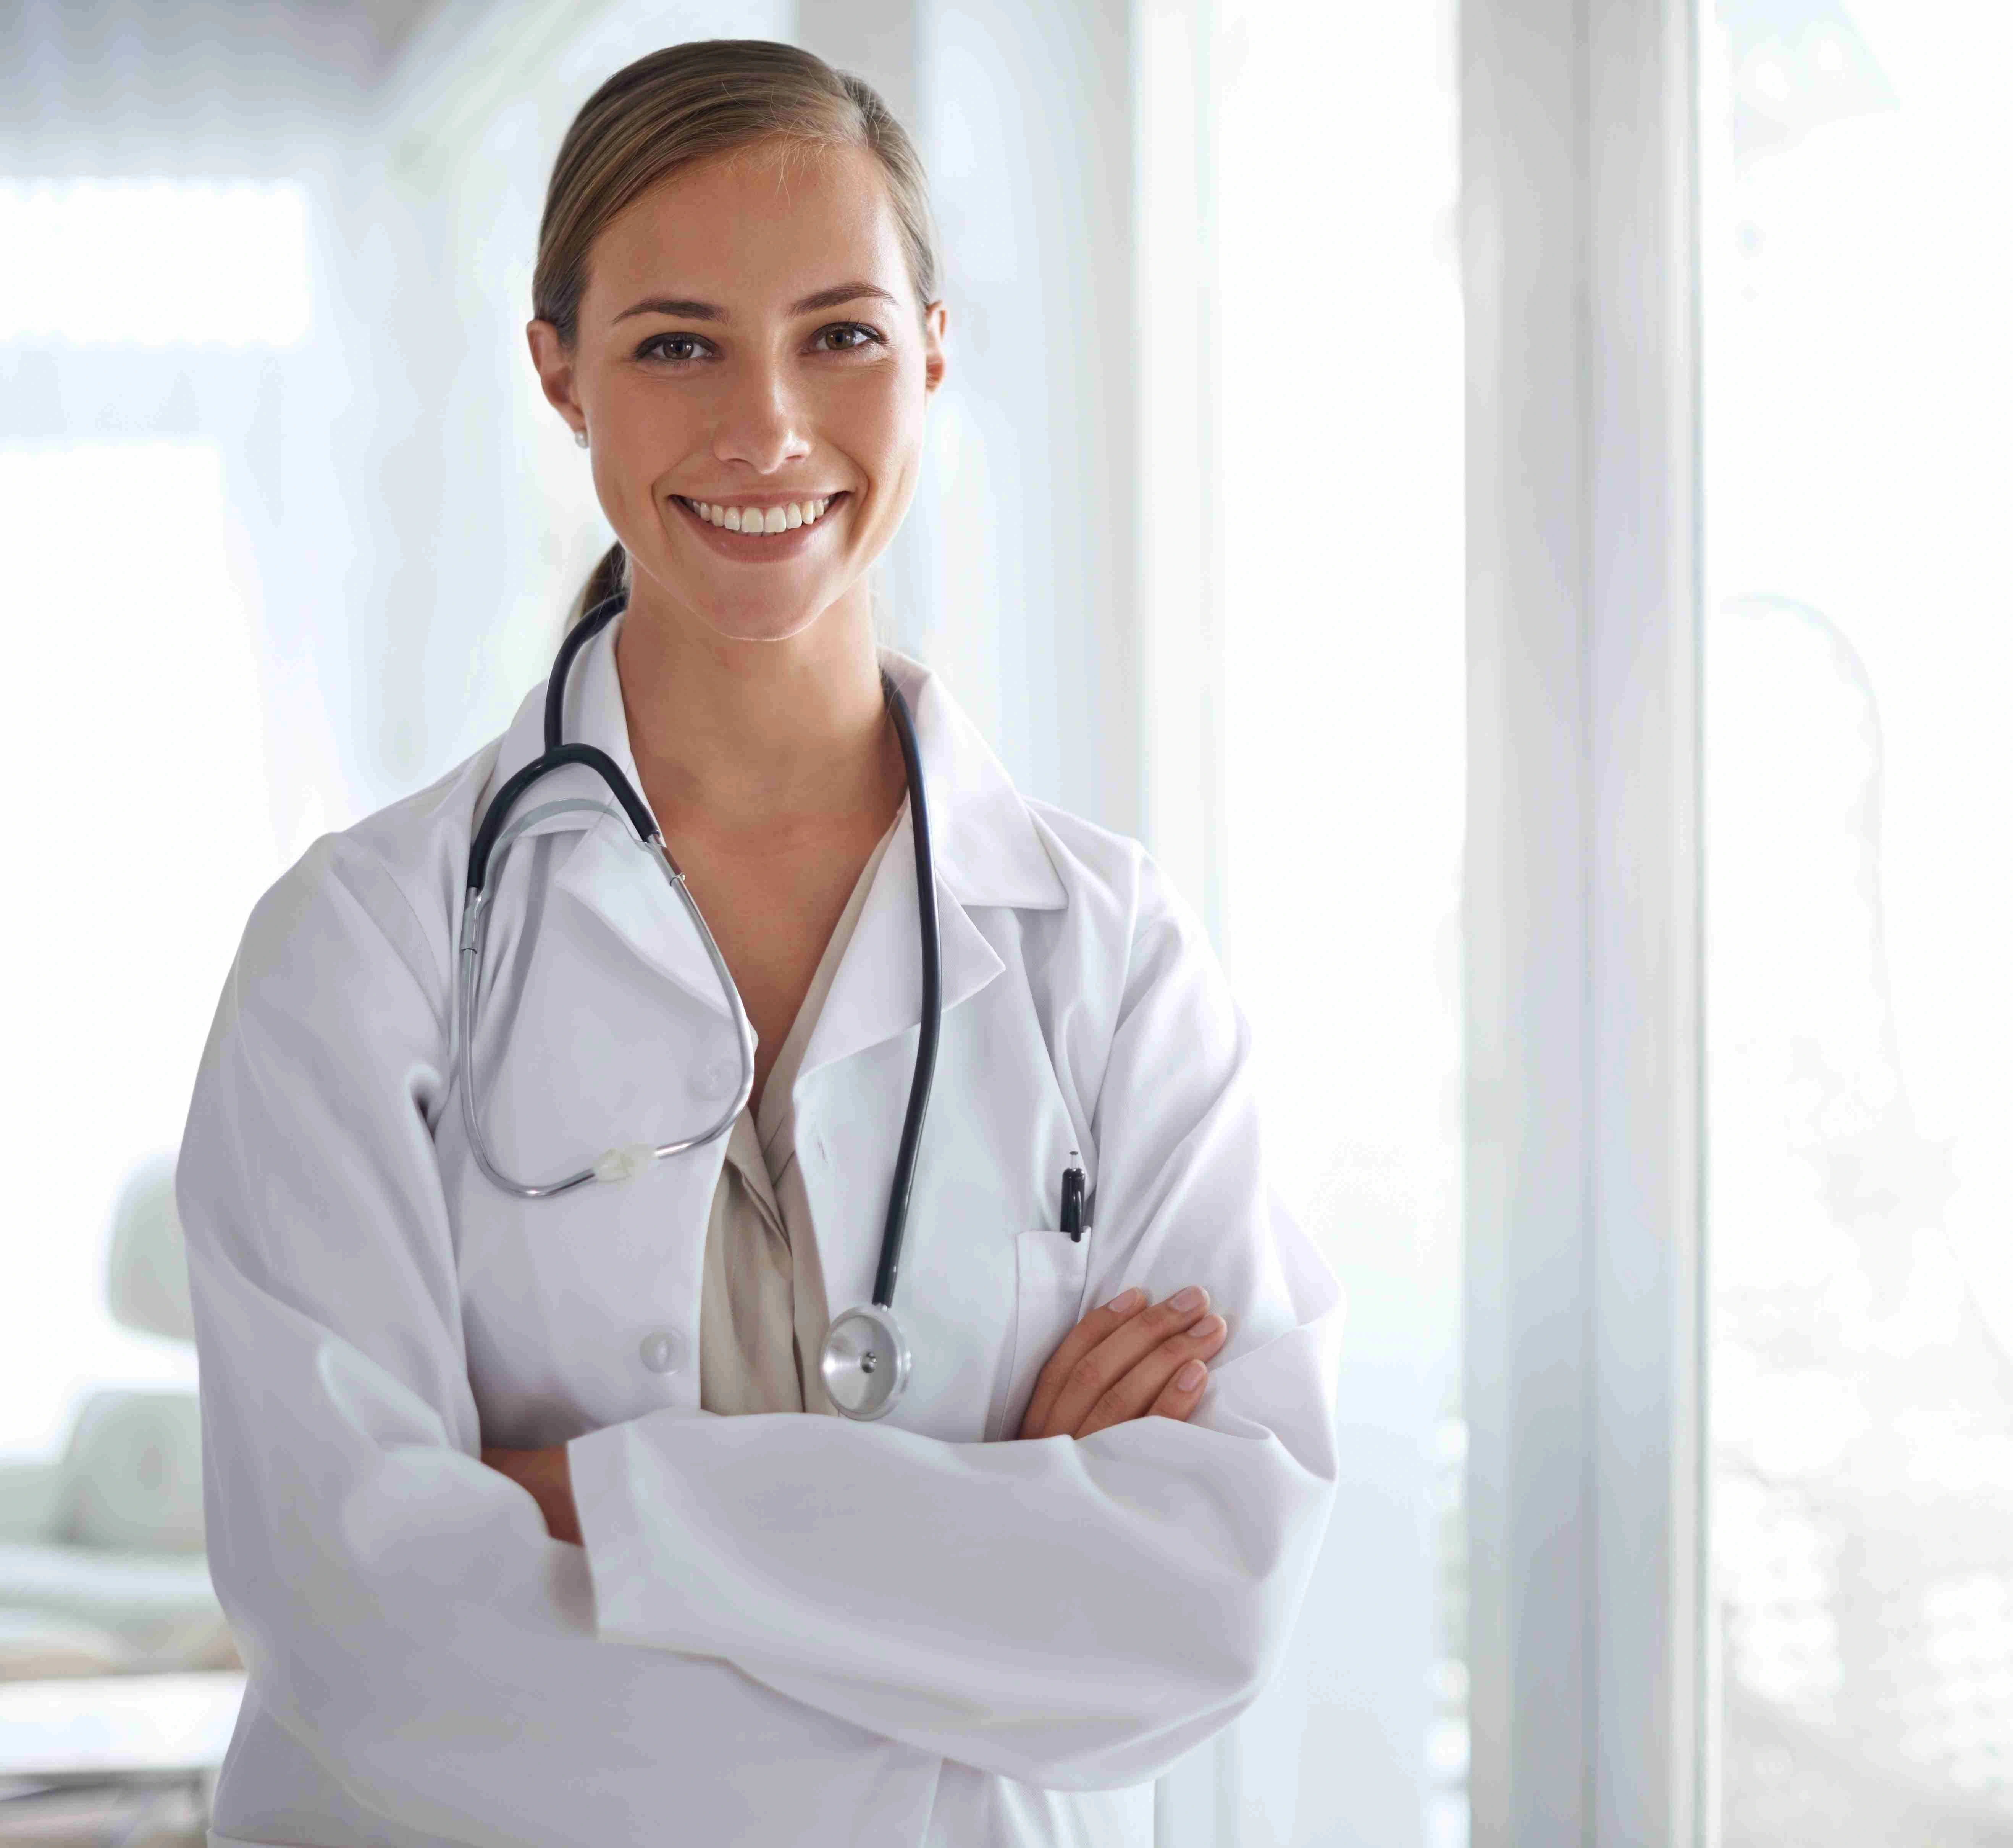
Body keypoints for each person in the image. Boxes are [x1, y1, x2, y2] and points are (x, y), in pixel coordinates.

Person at [175, 37, 1343, 1848]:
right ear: (558, 373)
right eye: (675, 343)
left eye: (842, 335)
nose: (769, 427)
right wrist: (979, 1553)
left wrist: (586, 1505)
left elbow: (1207, 1599)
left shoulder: (1107, 960)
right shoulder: (360, 954)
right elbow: (374, 1631)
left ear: (935, 351)